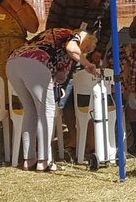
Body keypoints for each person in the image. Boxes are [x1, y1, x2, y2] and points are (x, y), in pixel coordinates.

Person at [9, 27, 101, 171]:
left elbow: (56, 72)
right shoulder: (73, 36)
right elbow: (72, 48)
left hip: (14, 62)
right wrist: (87, 64)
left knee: (30, 110)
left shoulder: (53, 36)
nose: (84, 53)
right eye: (86, 49)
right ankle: (44, 160)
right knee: (46, 112)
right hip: (35, 62)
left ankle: (29, 158)